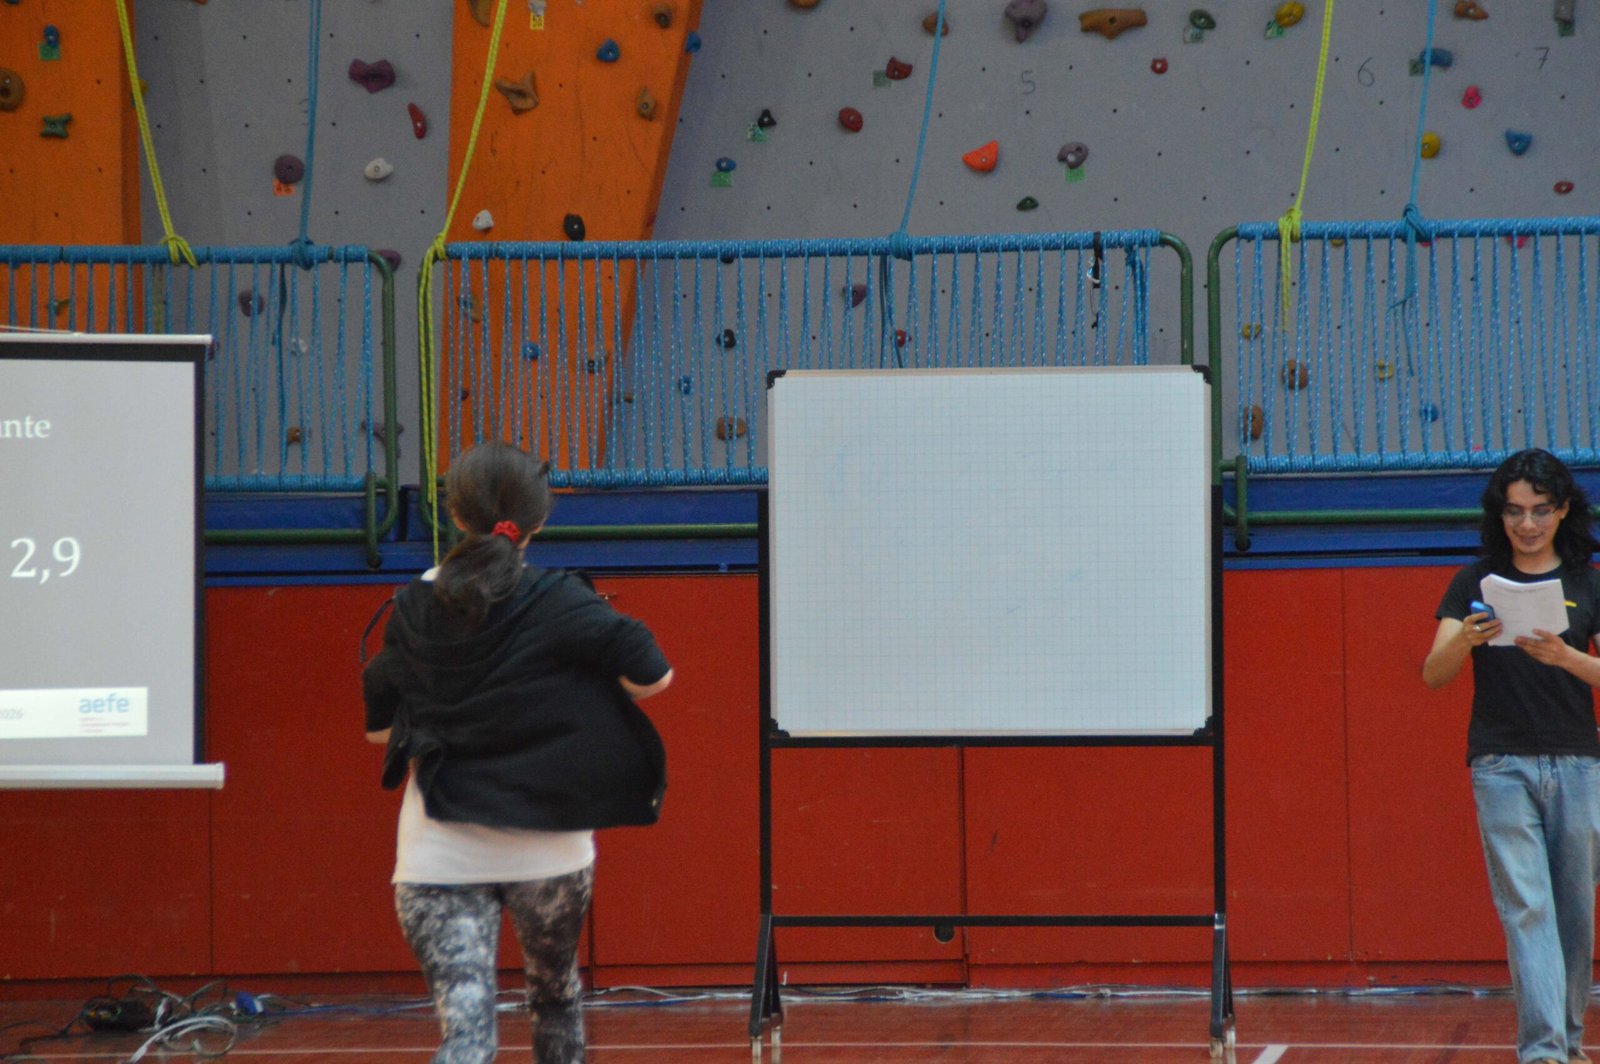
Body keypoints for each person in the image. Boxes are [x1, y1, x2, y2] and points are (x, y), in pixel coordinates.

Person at [362, 441, 673, 1064]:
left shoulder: (412, 606)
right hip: (550, 851)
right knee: (555, 1003)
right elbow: (654, 676)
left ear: (455, 514)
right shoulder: (560, 600)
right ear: (540, 520)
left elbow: (379, 731)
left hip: (437, 856)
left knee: (466, 1040)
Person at [1423, 448, 1600, 1064]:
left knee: (1574, 912)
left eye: (1540, 510)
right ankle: (1543, 1051)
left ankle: (1567, 1041)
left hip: (1578, 761)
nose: (1527, 524)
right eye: (1514, 511)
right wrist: (1466, 640)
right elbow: (1433, 674)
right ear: (1498, 515)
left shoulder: (1587, 581)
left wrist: (1566, 657)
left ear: (1563, 510)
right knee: (1527, 907)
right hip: (1499, 763)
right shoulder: (1474, 583)